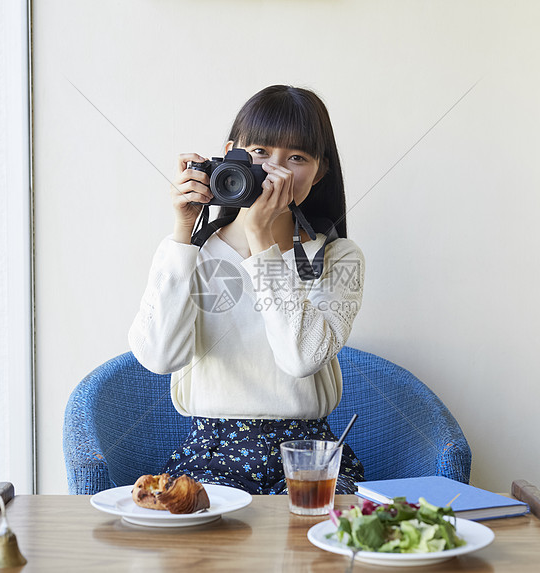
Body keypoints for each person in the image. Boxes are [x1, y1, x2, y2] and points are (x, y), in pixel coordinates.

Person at [128, 85, 365, 494]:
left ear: (320, 172)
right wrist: (183, 234)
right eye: (259, 153)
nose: (277, 172)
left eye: (296, 158)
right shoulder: (192, 252)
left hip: (309, 453)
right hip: (211, 450)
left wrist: (260, 241)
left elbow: (301, 358)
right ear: (230, 154)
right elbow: (159, 358)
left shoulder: (336, 256)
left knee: (317, 543)